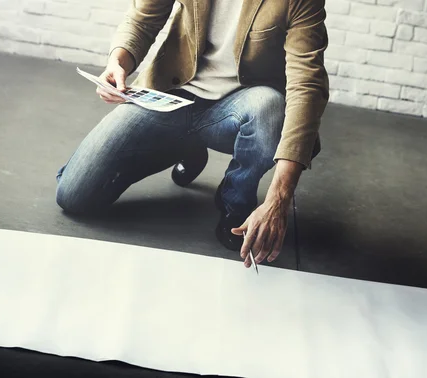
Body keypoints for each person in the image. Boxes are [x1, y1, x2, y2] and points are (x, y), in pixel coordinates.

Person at [56, 0, 329, 268]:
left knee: (269, 107)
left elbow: (307, 85)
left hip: (240, 106)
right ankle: (187, 147)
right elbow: (143, 19)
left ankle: (234, 200)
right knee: (73, 196)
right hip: (171, 95)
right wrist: (118, 62)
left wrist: (278, 198)